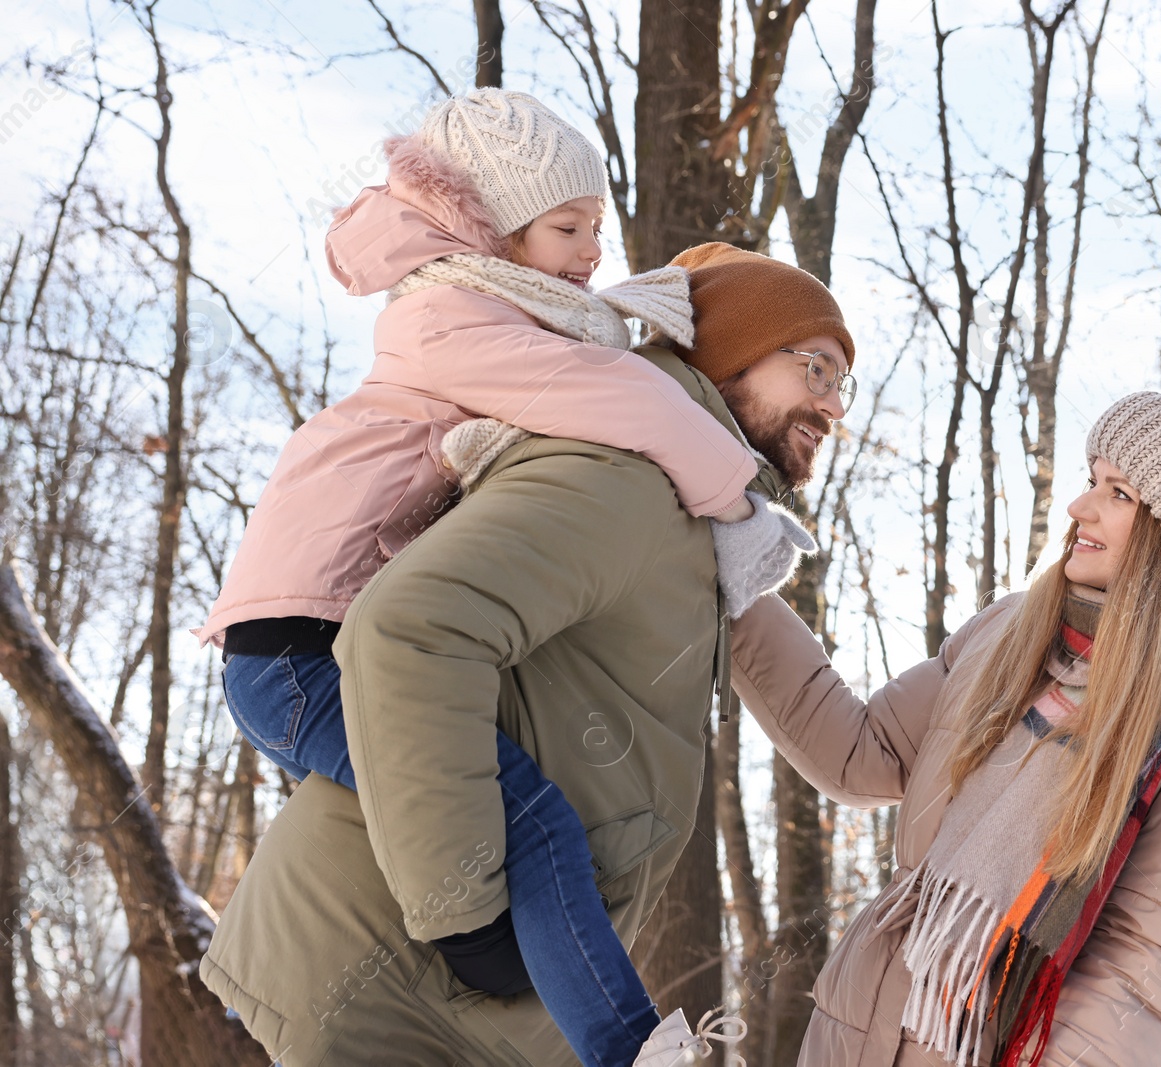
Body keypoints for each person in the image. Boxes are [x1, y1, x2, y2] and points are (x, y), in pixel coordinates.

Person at [195, 88, 795, 1065]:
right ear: (493, 227)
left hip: (295, 643)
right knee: (531, 822)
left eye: (598, 229)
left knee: (423, 794)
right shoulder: (448, 319)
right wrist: (732, 500)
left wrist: (613, 316)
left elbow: (567, 353)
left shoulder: (479, 318)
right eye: (568, 228)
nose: (591, 252)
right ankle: (628, 1046)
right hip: (298, 649)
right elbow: (603, 391)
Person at [726, 391, 1161, 1065]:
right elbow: (862, 753)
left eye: (1119, 493)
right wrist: (730, 579)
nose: (1079, 507)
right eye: (1092, 480)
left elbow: (1134, 990)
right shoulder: (1017, 630)